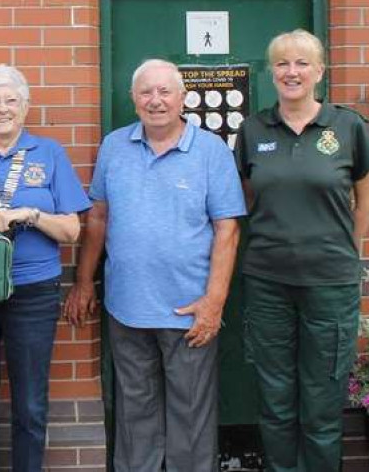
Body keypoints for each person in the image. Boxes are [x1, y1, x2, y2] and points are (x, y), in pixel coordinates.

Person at [65, 58, 246, 472]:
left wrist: (214, 301)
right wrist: (84, 281)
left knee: (191, 414)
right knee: (135, 412)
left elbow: (227, 230)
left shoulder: (210, 151)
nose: (156, 100)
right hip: (126, 307)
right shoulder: (114, 146)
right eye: (146, 91)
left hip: (190, 310)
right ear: (133, 99)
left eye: (165, 91)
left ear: (183, 98)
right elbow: (97, 218)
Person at [235, 29, 369, 472]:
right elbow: (245, 198)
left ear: (319, 71)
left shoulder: (348, 126)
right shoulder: (253, 129)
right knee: (276, 400)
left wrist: (343, 249)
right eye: (282, 63)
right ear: (271, 72)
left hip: (330, 285)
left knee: (322, 402)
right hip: (267, 283)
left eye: (301, 63)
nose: (291, 72)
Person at [0, 64, 91, 472]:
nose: (2, 109)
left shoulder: (50, 154)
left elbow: (72, 230)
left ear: (25, 107)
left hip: (33, 292)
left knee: (29, 401)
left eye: (10, 100)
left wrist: (28, 213)